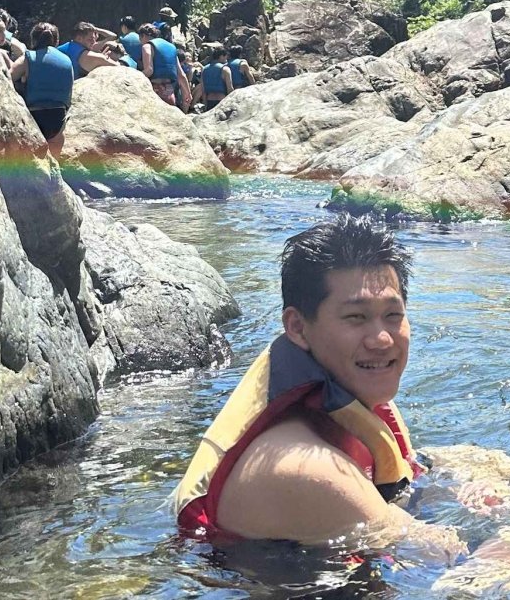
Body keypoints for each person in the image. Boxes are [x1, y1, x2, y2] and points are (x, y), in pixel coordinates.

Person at [173, 216, 462, 557]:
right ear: (297, 326)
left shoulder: (347, 389)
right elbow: (450, 563)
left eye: (393, 315)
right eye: (356, 317)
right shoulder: (306, 470)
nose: (382, 340)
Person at [10, 22, 74, 153]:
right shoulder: (67, 60)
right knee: (57, 141)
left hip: (34, 115)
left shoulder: (28, 58)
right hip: (58, 116)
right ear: (56, 41)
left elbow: (8, 77)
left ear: (33, 39)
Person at [139, 22, 189, 108]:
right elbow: (181, 75)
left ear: (143, 35)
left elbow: (149, 70)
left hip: (156, 92)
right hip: (169, 93)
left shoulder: (147, 46)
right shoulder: (172, 47)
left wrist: (135, 77)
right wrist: (188, 94)